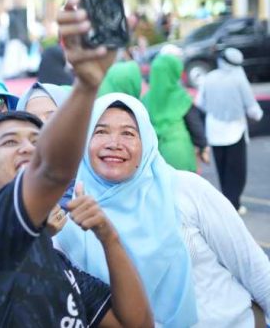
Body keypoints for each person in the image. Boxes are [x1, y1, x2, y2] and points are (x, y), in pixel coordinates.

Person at [0, 0, 153, 328]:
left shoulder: (54, 258)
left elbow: (136, 324)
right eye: (10, 142)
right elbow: (50, 171)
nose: (28, 149)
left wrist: (108, 236)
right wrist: (87, 84)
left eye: (37, 141)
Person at [56, 93, 270, 327]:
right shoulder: (71, 226)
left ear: (146, 141)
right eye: (100, 132)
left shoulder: (186, 189)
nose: (114, 143)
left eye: (128, 133)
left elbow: (255, 269)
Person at [196, 48, 264, 212]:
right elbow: (252, 108)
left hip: (214, 130)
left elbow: (200, 103)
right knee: (236, 171)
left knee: (222, 170)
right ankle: (234, 204)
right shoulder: (239, 79)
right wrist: (259, 115)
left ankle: (227, 203)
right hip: (235, 130)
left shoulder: (209, 78)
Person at [143, 49, 208, 172]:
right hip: (180, 152)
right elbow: (195, 125)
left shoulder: (145, 99)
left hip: (154, 155)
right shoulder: (180, 97)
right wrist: (203, 146)